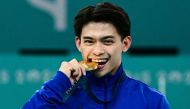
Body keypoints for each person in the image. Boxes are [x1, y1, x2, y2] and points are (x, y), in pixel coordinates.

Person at [22, 2, 170, 109]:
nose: (98, 50)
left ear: (125, 44)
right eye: (89, 41)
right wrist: (58, 83)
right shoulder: (58, 96)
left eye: (107, 41)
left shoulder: (151, 101)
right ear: (79, 44)